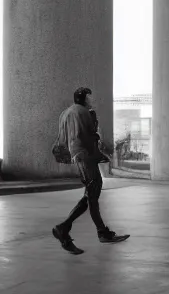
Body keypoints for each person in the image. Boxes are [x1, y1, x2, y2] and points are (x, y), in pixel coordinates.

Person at [52, 87, 129, 254]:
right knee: (92, 193)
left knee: (92, 195)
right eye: (89, 97)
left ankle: (102, 232)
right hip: (85, 156)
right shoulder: (85, 112)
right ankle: (63, 228)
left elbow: (62, 139)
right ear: (84, 99)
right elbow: (89, 136)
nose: (91, 100)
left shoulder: (66, 113)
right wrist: (99, 152)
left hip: (77, 156)